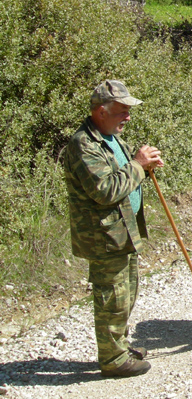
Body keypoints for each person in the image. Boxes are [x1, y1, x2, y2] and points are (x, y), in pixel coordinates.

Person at [63, 80, 164, 377]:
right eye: (122, 111)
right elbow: (105, 190)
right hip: (102, 236)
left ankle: (119, 348)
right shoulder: (83, 144)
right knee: (112, 298)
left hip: (122, 231)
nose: (128, 117)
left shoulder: (111, 137)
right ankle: (113, 360)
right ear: (101, 111)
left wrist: (144, 167)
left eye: (128, 111)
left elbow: (125, 175)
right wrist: (137, 165)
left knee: (127, 294)